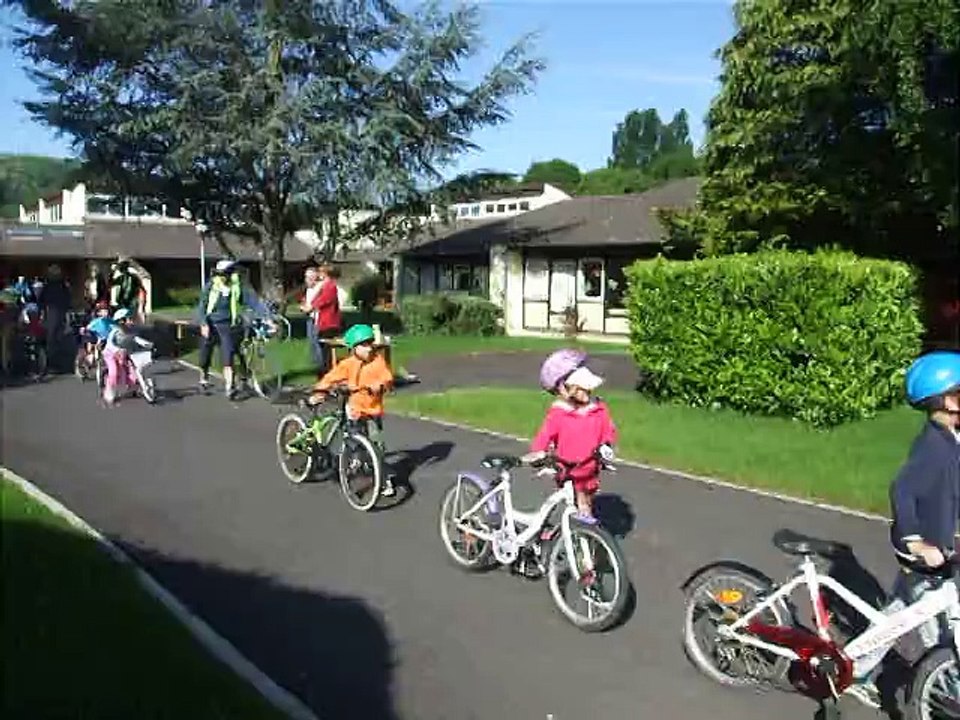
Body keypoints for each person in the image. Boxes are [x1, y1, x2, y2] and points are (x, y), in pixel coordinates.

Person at [850, 350, 960, 707]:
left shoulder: (949, 438)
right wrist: (916, 542)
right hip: (921, 546)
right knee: (932, 622)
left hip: (938, 541)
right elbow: (903, 490)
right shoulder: (933, 448)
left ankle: (856, 668)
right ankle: (941, 679)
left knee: (896, 614)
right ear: (947, 401)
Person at [308, 323, 396, 497]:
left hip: (372, 410)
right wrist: (319, 390)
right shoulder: (348, 364)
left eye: (370, 343)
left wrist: (380, 385)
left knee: (377, 445)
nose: (369, 348)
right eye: (364, 345)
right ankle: (352, 459)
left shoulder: (378, 361)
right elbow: (331, 377)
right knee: (353, 437)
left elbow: (387, 377)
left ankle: (384, 480)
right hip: (355, 408)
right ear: (354, 348)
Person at [528, 349, 618, 518]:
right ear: (564, 389)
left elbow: (608, 429)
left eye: (588, 389)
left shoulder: (598, 409)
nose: (588, 393)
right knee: (574, 505)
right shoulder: (559, 413)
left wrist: (607, 444)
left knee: (587, 502)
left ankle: (581, 530)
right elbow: (545, 435)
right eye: (581, 389)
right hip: (568, 470)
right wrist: (538, 452)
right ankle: (573, 532)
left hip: (590, 468)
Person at [196, 259, 270, 399]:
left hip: (227, 326)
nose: (223, 277)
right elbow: (201, 307)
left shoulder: (237, 287)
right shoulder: (211, 287)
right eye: (220, 274)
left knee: (228, 355)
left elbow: (253, 302)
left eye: (226, 274)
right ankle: (204, 377)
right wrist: (203, 322)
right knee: (205, 355)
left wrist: (267, 316)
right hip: (211, 324)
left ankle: (229, 387)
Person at [102, 308, 154, 405]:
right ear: (121, 321)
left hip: (125, 354)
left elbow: (136, 339)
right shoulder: (115, 332)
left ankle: (134, 388)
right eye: (128, 319)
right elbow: (111, 344)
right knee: (114, 372)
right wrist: (117, 350)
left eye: (131, 318)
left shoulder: (131, 331)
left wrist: (148, 344)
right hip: (111, 355)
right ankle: (109, 390)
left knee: (133, 374)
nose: (131, 321)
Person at [310, 264, 342, 379]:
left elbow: (324, 300)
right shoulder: (325, 286)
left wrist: (312, 306)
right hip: (324, 322)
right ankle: (325, 373)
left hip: (329, 323)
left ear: (326, 274)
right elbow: (316, 298)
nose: (319, 274)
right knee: (323, 350)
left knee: (326, 350)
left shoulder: (330, 286)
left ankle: (327, 374)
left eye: (321, 272)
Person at [75, 300, 114, 377]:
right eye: (103, 311)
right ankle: (83, 362)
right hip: (93, 337)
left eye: (106, 311)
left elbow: (116, 326)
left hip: (105, 339)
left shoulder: (110, 321)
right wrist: (84, 329)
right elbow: (87, 327)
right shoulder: (95, 321)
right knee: (90, 348)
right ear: (98, 312)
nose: (105, 313)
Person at [300, 267, 326, 373]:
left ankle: (321, 366)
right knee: (311, 341)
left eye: (309, 277)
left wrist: (306, 308)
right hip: (310, 317)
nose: (306, 280)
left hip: (318, 319)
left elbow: (314, 305)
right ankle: (315, 365)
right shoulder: (309, 289)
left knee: (317, 342)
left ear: (314, 278)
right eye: (306, 277)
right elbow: (308, 303)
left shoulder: (319, 288)